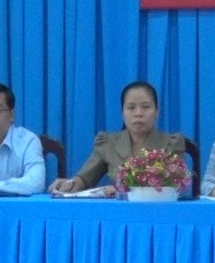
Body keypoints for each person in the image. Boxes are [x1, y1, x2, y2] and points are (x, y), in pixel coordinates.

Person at [48, 81, 186, 195]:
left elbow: (173, 187)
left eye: (146, 107)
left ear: (157, 111)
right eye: (131, 108)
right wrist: (69, 184)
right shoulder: (108, 143)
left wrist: (121, 191)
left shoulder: (171, 143)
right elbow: (85, 179)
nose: (138, 113)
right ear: (122, 113)